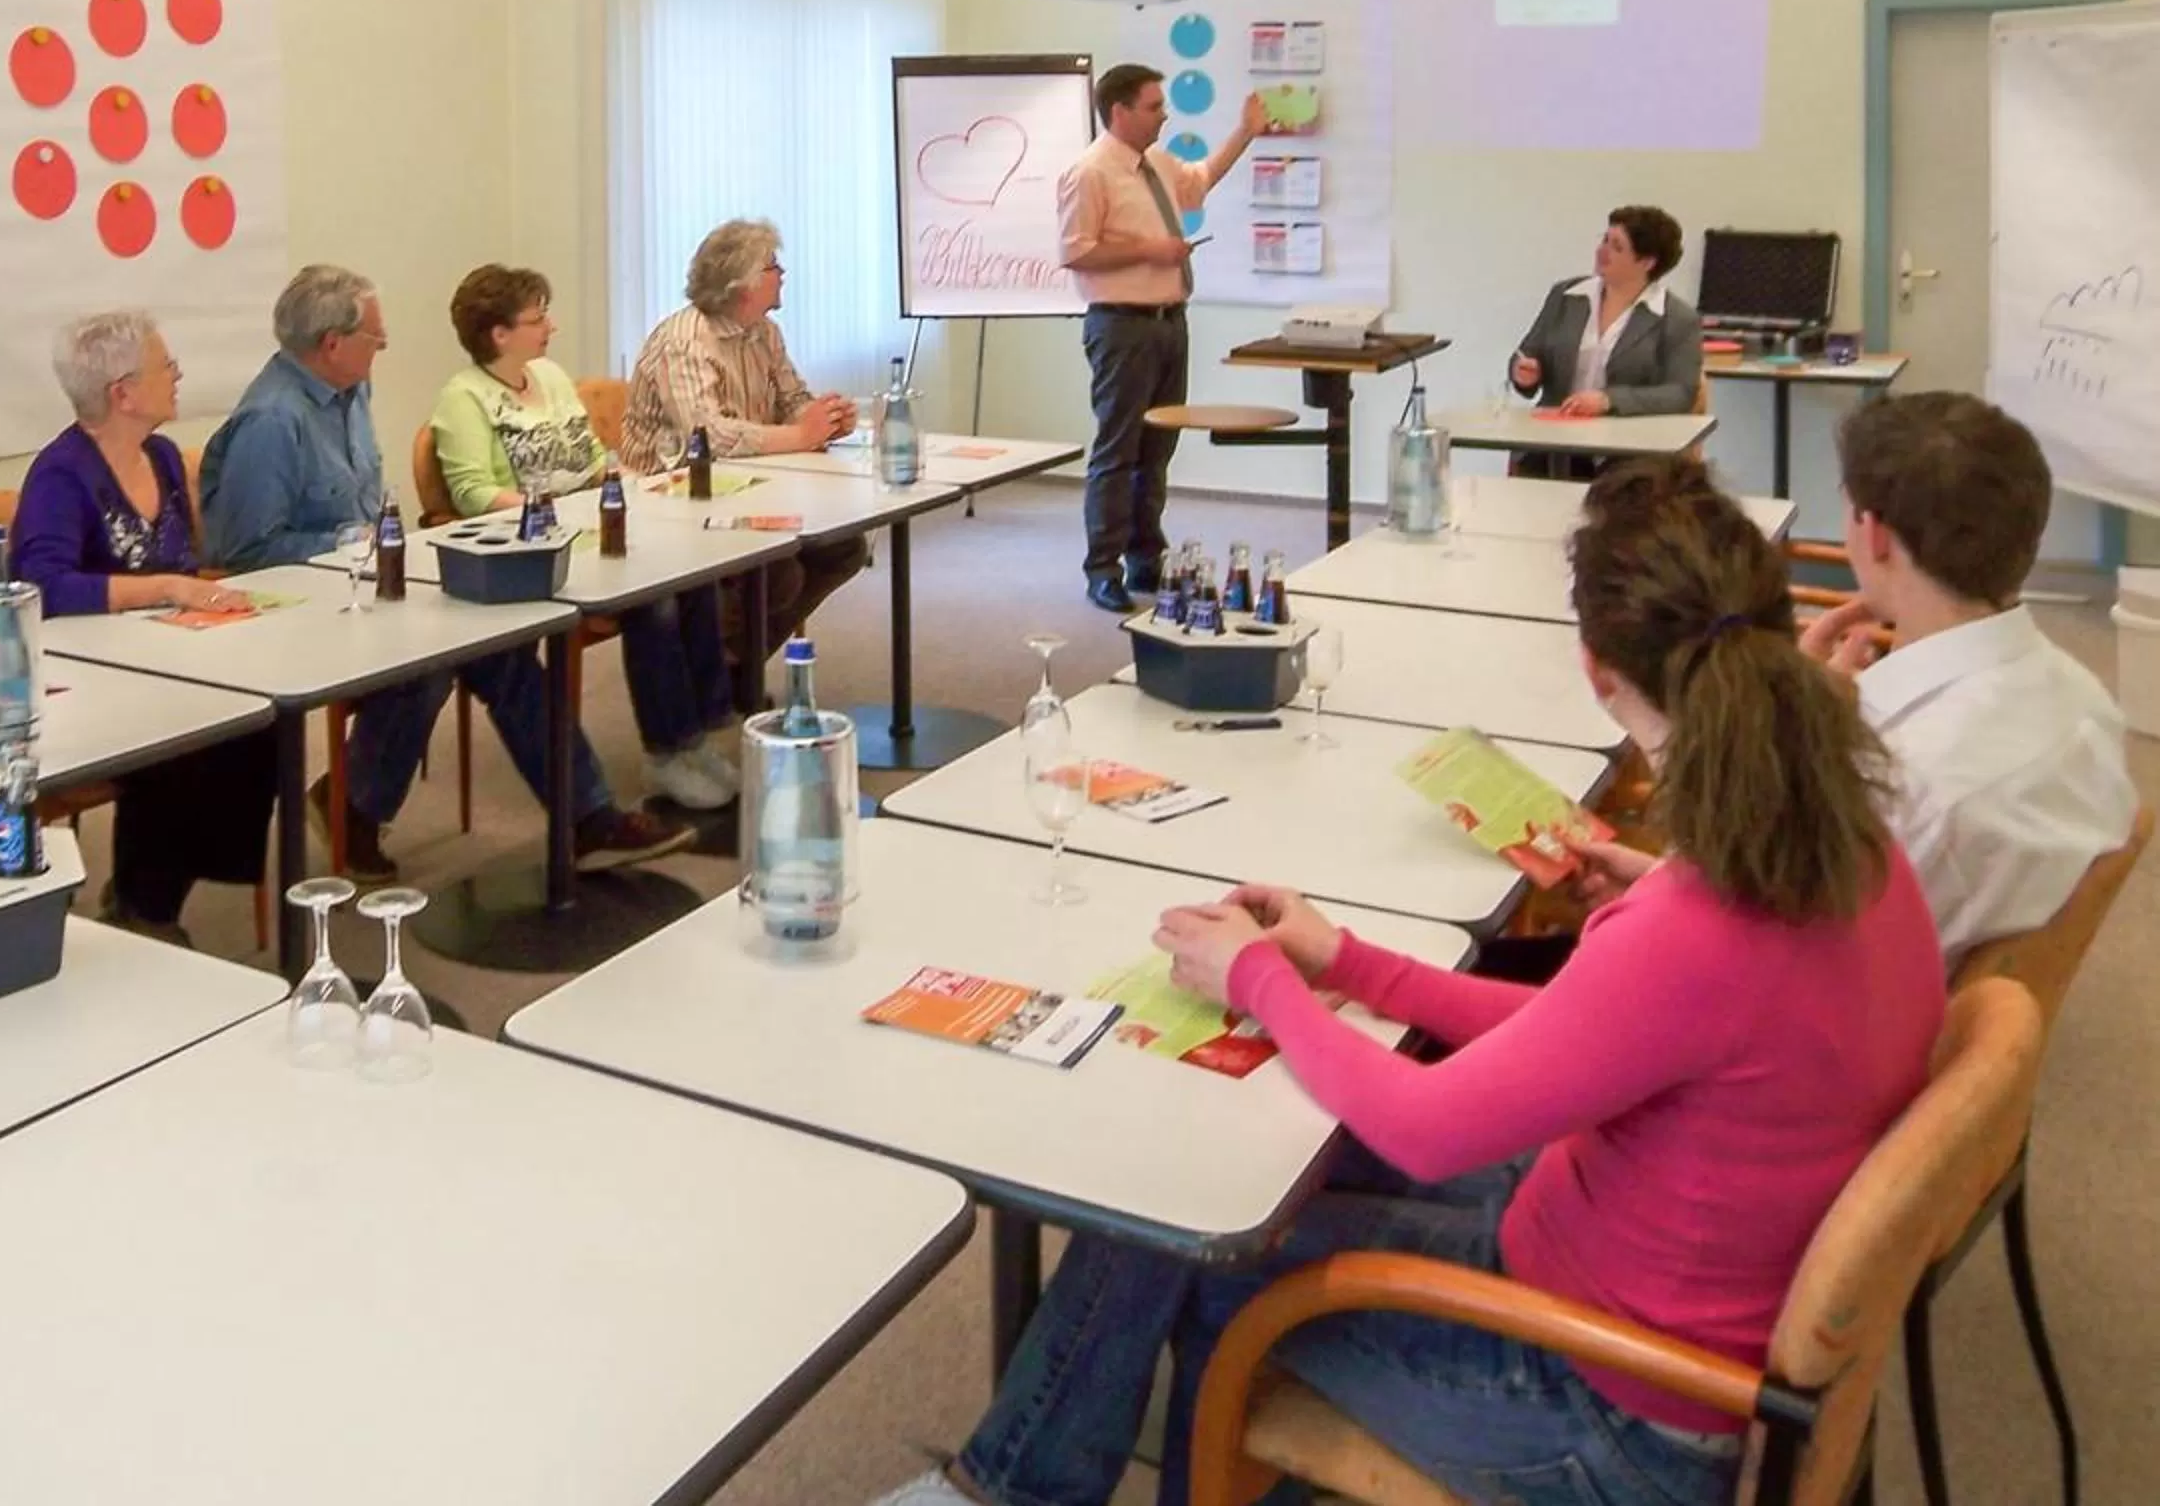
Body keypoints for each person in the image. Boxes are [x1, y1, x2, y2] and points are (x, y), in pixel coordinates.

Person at [875, 458, 1944, 1506]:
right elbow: (1583, 1028)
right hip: (1636, 1278)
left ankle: (1012, 1486)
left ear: (1599, 673)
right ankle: (1015, 1484)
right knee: (1241, 1171)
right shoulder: (1847, 845)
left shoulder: (1694, 927)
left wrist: (1260, 979)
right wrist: (1347, 964)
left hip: (1611, 1404)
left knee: (1200, 1236)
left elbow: (1429, 1126)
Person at [201, 264, 691, 881]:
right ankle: (357, 804)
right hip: (299, 607)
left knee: (501, 652)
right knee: (431, 663)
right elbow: (248, 555)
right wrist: (353, 540)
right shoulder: (273, 422)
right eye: (375, 339)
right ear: (332, 345)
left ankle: (583, 817)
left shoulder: (349, 391)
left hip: (364, 584)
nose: (383, 348)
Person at [1798, 392, 2135, 964]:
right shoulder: (2089, 699)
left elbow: (1780, 942)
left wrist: (1787, 734)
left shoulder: (1885, 779)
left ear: (1874, 533)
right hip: (1966, 1000)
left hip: (1863, 1020)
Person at [431, 264, 739, 812]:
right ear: (499, 334)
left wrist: (624, 486)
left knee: (696, 574)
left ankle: (695, 737)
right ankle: (666, 753)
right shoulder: (465, 398)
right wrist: (550, 511)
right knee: (656, 602)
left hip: (591, 526)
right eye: (538, 317)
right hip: (532, 546)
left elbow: (591, 459)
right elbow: (472, 494)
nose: (551, 326)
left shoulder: (547, 376)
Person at [14, 310, 264, 942]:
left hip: (170, 652)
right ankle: (143, 903)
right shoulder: (61, 475)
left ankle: (162, 886)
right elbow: (40, 587)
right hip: (88, 669)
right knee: (175, 733)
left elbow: (188, 562)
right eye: (164, 366)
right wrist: (164, 589)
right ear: (121, 393)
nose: (177, 376)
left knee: (260, 716)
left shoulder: (158, 454)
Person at [1055, 67, 1269, 612]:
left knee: (1158, 447)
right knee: (1118, 449)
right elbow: (1076, 252)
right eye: (1154, 106)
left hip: (1170, 321)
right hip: (1122, 324)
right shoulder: (1089, 172)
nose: (1164, 114)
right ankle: (1102, 568)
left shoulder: (1157, 163)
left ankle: (1145, 554)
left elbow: (1200, 179)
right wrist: (1150, 251)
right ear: (1120, 111)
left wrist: (1244, 133)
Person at [618, 218, 869, 675]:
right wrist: (798, 436)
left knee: (844, 547)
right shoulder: (685, 341)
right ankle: (718, 672)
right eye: (773, 265)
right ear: (742, 284)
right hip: (670, 498)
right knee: (779, 572)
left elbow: (792, 399)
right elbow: (707, 436)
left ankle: (735, 667)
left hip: (749, 486)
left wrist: (824, 420)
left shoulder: (764, 332)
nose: (782, 274)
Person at [1508, 204, 1703, 419]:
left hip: (1627, 442)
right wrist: (1525, 373)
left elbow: (1680, 394)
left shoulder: (1678, 319)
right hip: (1555, 435)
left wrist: (1608, 400)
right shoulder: (1565, 296)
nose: (1602, 251)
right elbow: (1527, 353)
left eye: (1617, 247)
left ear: (1647, 263)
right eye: (1604, 240)